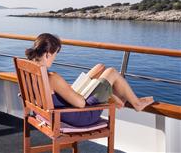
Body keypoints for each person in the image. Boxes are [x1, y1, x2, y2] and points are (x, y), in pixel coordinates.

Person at [25, 33, 154, 127]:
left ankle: (116, 99)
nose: (55, 58)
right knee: (112, 72)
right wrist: (79, 93)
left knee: (100, 68)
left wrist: (70, 91)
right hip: (81, 116)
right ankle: (136, 104)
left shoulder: (28, 70)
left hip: (57, 112)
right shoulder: (52, 77)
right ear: (47, 54)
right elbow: (81, 103)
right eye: (55, 54)